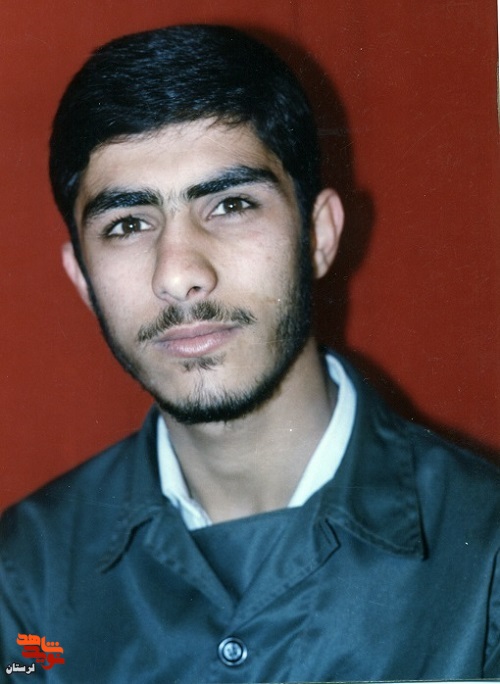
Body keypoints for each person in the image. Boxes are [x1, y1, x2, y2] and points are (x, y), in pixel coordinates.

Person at [0, 24, 499, 682]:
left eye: (231, 204)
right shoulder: (22, 578)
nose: (178, 274)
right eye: (128, 224)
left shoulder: (486, 556)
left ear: (318, 237)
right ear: (82, 279)